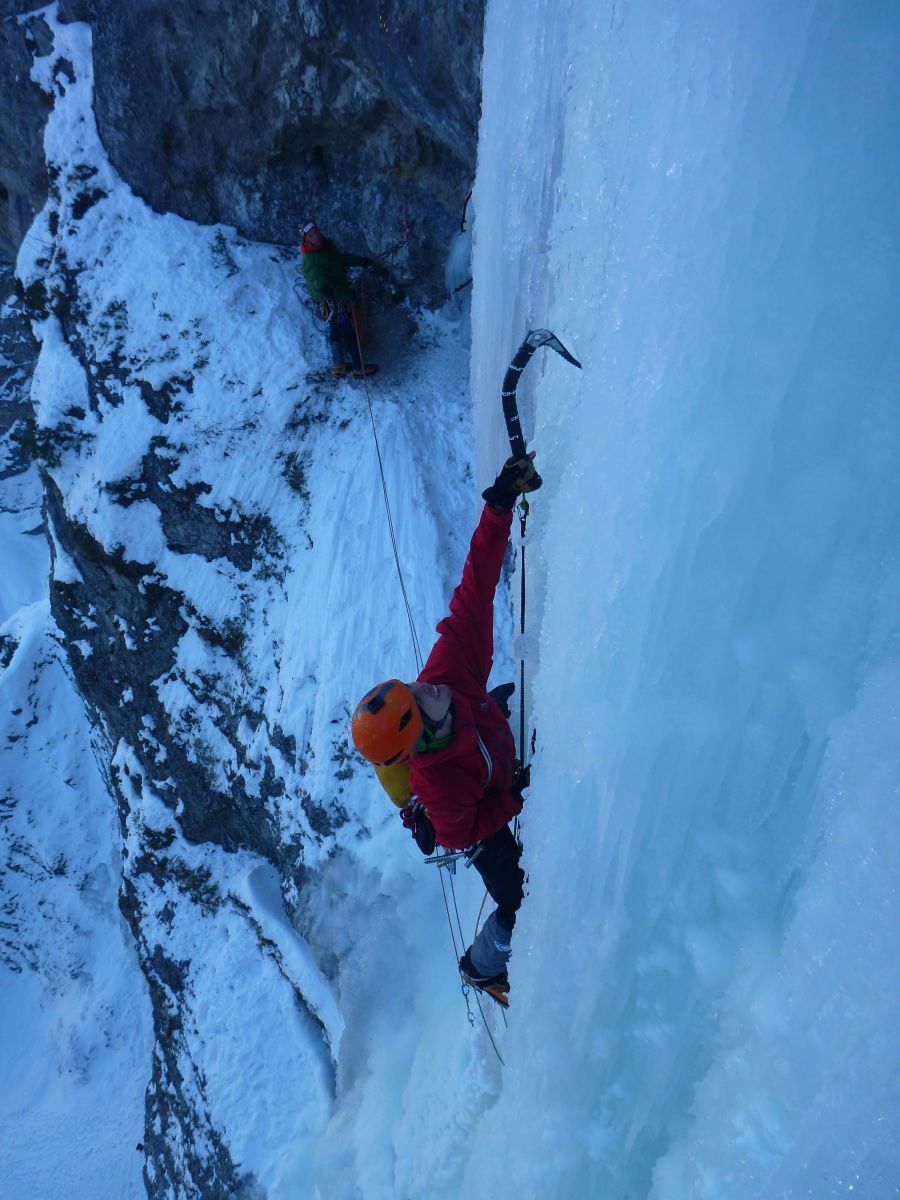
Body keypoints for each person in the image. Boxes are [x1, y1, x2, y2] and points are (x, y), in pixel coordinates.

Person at [349, 454, 541, 1004]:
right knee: (519, 900)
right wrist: (516, 799)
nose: (427, 685)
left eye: (415, 688)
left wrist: (499, 505)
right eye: (418, 699)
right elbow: (463, 831)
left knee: (504, 702)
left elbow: (474, 590)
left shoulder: (445, 674)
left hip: (492, 747)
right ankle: (483, 968)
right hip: (481, 813)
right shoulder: (436, 787)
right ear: (414, 740)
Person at [299, 220, 378, 378]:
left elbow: (340, 258)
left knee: (335, 329)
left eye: (316, 232)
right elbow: (325, 288)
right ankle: (357, 367)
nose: (316, 236)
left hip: (332, 297)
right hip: (332, 299)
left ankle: (338, 365)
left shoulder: (324, 248)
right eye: (311, 235)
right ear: (306, 239)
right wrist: (348, 294)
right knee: (347, 331)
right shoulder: (312, 260)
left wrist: (361, 261)